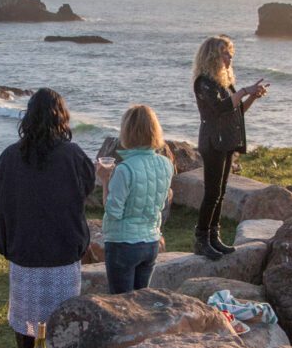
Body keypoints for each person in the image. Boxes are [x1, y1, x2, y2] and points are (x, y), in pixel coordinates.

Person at [0, 88, 95, 348]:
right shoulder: (74, 156)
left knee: (29, 327)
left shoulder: (10, 157)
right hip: (63, 257)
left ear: (28, 118)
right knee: (59, 327)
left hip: (25, 255)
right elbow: (86, 191)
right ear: (62, 118)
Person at [192, 35, 269, 260]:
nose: (230, 57)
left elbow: (236, 111)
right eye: (225, 53)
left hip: (226, 140)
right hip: (212, 141)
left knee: (221, 192)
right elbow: (221, 106)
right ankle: (201, 238)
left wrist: (252, 96)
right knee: (212, 192)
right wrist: (245, 90)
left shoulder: (223, 83)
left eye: (230, 52)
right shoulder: (203, 82)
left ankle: (214, 236)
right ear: (213, 56)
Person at [96, 105, 175, 294]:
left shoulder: (125, 169)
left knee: (122, 305)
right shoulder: (166, 164)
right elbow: (161, 203)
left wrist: (105, 180)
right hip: (150, 242)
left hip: (123, 244)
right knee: (141, 304)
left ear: (127, 132)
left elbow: (113, 211)